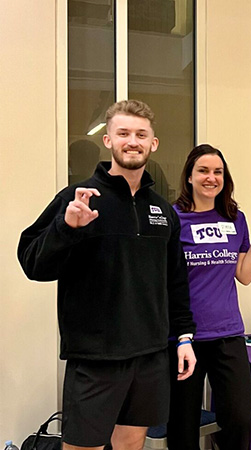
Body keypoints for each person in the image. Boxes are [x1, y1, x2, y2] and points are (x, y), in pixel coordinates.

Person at [17, 99, 197, 450]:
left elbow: (175, 282)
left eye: (141, 134)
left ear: (153, 143)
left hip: (149, 355)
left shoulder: (163, 210)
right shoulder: (79, 199)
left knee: (131, 444)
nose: (133, 141)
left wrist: (184, 337)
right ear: (109, 141)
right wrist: (66, 227)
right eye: (124, 133)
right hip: (95, 358)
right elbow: (33, 264)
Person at [167, 144, 251, 450]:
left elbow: (244, 274)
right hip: (184, 336)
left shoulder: (234, 218)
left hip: (227, 333)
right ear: (189, 177)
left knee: (240, 415)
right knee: (183, 424)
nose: (211, 177)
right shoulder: (174, 220)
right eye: (203, 171)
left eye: (218, 172)